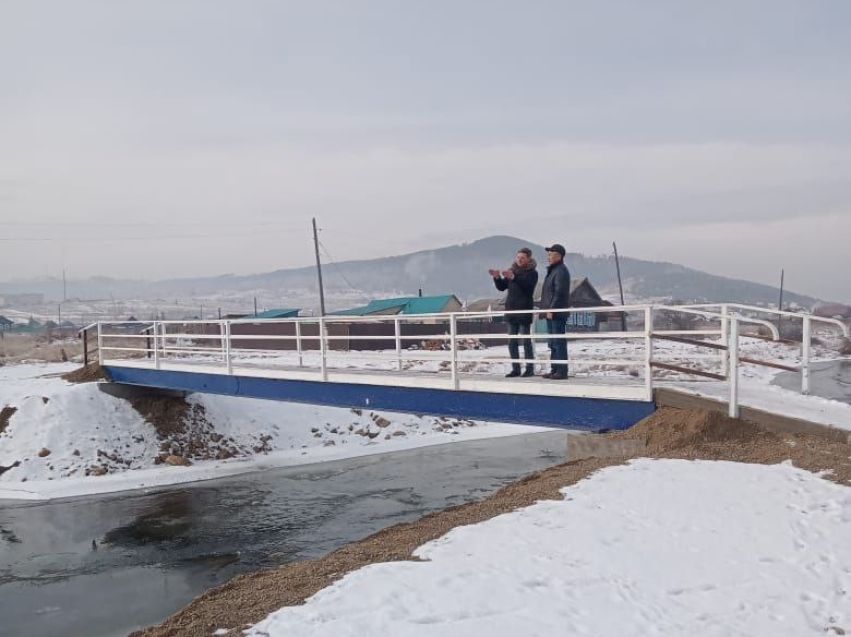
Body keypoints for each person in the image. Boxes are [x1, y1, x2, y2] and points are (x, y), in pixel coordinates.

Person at [489, 247, 539, 377]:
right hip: (511, 311)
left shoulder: (532, 273)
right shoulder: (512, 271)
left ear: (528, 259)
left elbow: (528, 288)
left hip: (524, 311)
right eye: (518, 257)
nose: (519, 260)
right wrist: (497, 278)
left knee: (526, 341)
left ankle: (529, 368)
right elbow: (502, 287)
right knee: (512, 342)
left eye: (522, 258)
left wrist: (514, 277)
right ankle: (515, 368)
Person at [539, 244, 571, 379]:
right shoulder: (553, 270)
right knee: (552, 343)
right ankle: (554, 369)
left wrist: (552, 309)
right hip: (551, 312)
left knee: (558, 342)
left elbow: (559, 293)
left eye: (551, 254)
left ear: (559, 256)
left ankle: (562, 371)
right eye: (548, 254)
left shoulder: (561, 271)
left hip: (556, 313)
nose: (548, 257)